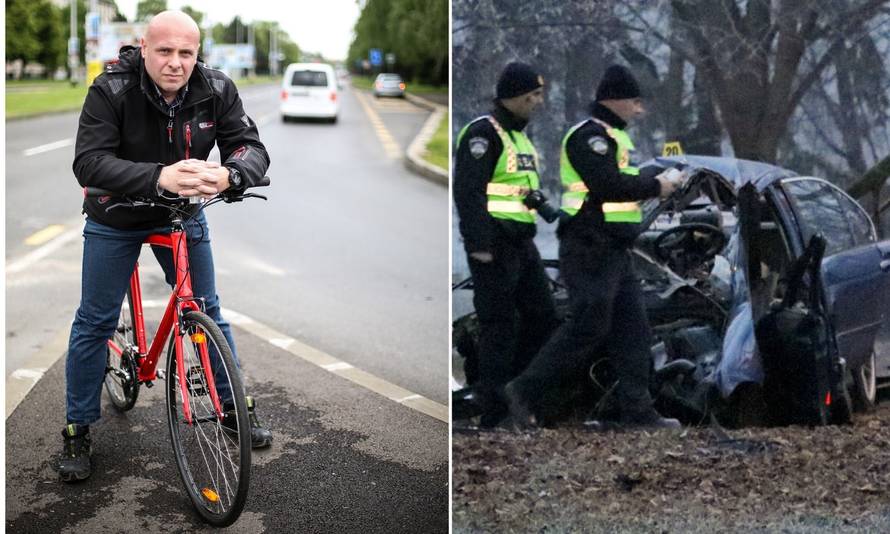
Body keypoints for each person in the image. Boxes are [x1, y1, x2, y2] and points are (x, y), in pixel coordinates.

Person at [58, 10, 272, 482]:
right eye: (165, 51)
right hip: (115, 215)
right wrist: (159, 176)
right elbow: (89, 162)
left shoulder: (216, 88)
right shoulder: (110, 88)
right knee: (94, 320)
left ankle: (233, 405)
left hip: (180, 215)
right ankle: (77, 427)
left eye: (186, 53)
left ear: (198, 54)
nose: (176, 63)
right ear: (144, 47)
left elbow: (249, 146)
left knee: (207, 310)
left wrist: (230, 174)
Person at [504, 64, 684, 429]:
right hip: (588, 248)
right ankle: (523, 391)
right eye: (635, 102)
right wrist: (658, 186)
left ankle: (637, 411)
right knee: (588, 327)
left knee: (633, 329)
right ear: (615, 101)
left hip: (615, 250)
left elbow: (626, 179)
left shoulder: (617, 139)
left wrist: (657, 177)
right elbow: (608, 185)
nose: (640, 110)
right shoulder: (588, 137)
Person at [453, 62, 559, 427]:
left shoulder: (519, 136)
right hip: (493, 245)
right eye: (533, 96)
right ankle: (494, 411)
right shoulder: (484, 133)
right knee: (499, 326)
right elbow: (469, 192)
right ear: (515, 97)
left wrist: (536, 200)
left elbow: (511, 186)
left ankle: (519, 394)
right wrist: (478, 244)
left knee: (543, 317)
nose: (538, 102)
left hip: (520, 241)